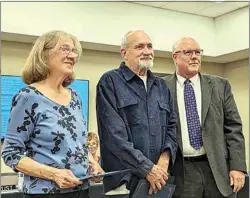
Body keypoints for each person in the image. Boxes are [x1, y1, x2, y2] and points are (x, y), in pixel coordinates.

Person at [1, 30, 103, 198]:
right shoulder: (28, 97)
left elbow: (76, 145)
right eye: (65, 49)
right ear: (44, 54)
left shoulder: (75, 97)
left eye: (74, 51)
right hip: (46, 193)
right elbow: (11, 154)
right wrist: (54, 174)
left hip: (81, 189)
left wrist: (92, 164)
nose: (72, 56)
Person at [96, 30, 178, 197]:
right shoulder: (110, 82)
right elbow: (113, 136)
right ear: (124, 53)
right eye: (139, 46)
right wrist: (148, 169)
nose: (147, 51)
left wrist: (164, 160)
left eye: (150, 46)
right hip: (123, 182)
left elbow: (172, 126)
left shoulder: (161, 86)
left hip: (158, 180)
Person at [164, 37, 247, 198]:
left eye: (197, 52)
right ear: (175, 57)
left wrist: (238, 166)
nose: (194, 56)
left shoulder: (220, 86)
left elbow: (234, 128)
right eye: (188, 52)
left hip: (217, 169)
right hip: (182, 172)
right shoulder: (161, 87)